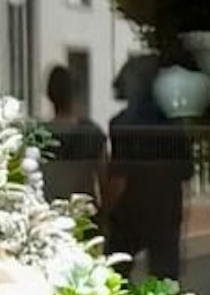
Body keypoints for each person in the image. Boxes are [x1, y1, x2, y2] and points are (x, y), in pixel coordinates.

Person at [103, 54, 192, 281]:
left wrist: (104, 213)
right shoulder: (175, 125)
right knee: (165, 282)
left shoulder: (121, 124)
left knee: (115, 277)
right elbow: (186, 170)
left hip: (130, 212)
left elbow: (118, 178)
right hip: (166, 212)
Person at [38, 64, 107, 207]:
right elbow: (104, 180)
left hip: (47, 215)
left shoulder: (39, 137)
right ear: (74, 92)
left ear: (49, 94)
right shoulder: (91, 134)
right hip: (83, 215)